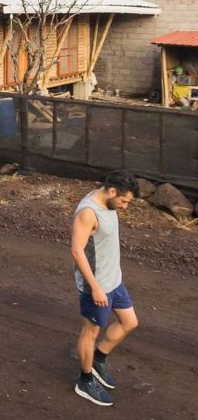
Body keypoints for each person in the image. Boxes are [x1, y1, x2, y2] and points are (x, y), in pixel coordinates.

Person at [70, 170, 140, 406]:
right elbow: (77, 251)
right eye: (124, 201)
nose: (125, 206)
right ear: (112, 192)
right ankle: (85, 380)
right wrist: (95, 288)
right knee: (90, 333)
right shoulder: (89, 212)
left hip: (114, 280)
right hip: (97, 286)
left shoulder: (108, 201)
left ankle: (99, 358)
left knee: (129, 322)